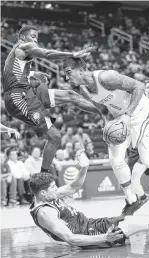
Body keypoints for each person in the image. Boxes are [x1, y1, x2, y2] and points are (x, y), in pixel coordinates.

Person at [63, 58, 149, 215]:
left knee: (148, 160)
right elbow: (102, 109)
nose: (66, 77)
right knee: (115, 160)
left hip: (139, 111)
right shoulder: (82, 89)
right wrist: (108, 123)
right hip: (120, 117)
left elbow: (139, 87)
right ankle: (132, 200)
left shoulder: (106, 77)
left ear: (81, 70)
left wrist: (128, 114)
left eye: (68, 73)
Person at [29, 152, 149, 249]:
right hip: (93, 237)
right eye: (53, 188)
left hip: (93, 225)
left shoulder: (47, 196)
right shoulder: (45, 212)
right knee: (142, 222)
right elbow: (70, 238)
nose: (57, 190)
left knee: (143, 219)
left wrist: (84, 167)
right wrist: (104, 238)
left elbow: (72, 188)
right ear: (42, 194)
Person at [2, 25, 99, 174]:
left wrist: (33, 73)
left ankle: (104, 110)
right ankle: (43, 177)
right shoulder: (23, 46)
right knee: (55, 136)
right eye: (33, 36)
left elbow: (13, 75)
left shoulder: (16, 56)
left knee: (70, 95)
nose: (35, 40)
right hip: (18, 97)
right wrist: (72, 54)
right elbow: (47, 53)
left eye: (37, 37)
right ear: (23, 37)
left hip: (26, 91)